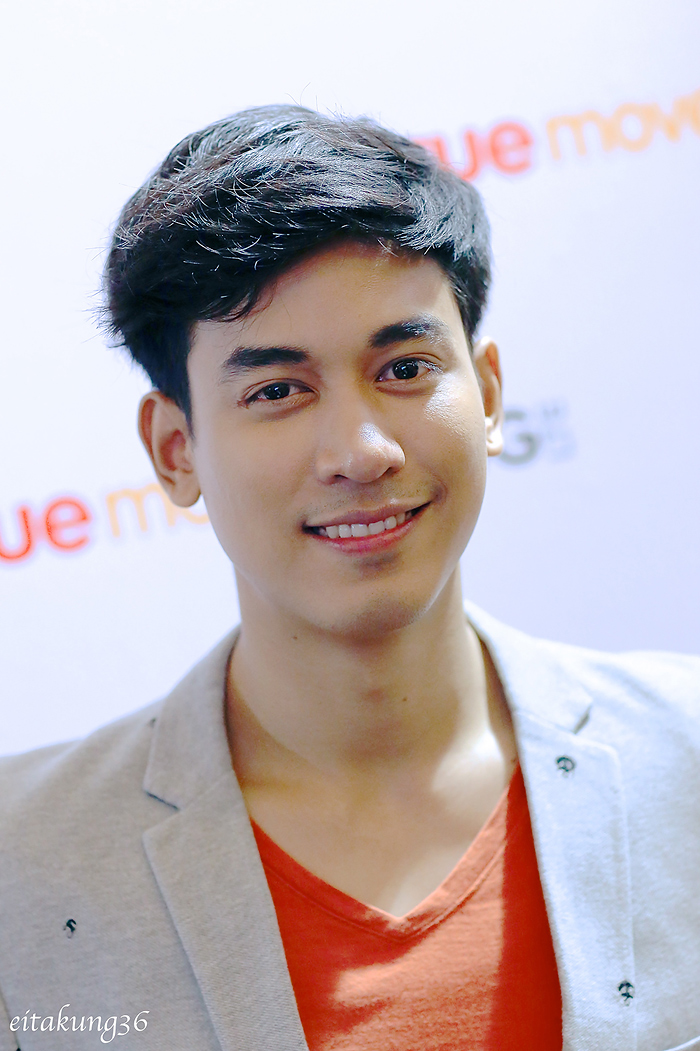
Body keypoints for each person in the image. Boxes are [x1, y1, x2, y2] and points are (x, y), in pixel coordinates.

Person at [0, 105, 698, 1051]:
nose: (362, 451)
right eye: (276, 390)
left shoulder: (684, 752)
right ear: (175, 450)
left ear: (489, 396)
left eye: (405, 368)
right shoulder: (25, 867)